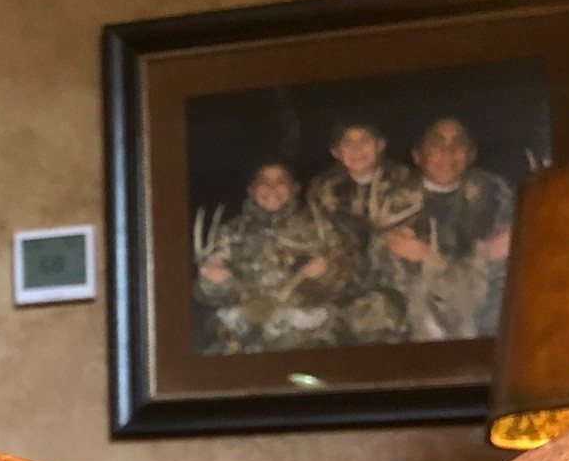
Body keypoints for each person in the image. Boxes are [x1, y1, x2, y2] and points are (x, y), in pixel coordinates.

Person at [377, 115, 514, 339]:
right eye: (436, 144)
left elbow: (504, 266)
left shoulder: (494, 193)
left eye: (458, 144)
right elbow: (388, 274)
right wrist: (484, 256)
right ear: (418, 156)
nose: (448, 152)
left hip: (482, 311)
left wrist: (427, 258)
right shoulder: (396, 201)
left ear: (471, 154)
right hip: (416, 317)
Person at [193, 161, 350, 354]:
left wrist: (325, 273)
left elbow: (341, 280)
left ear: (294, 188)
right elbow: (207, 293)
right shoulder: (231, 231)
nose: (272, 187)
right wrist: (214, 282)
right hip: (244, 331)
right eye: (263, 181)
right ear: (251, 189)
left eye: (281, 181)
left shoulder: (316, 228)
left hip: (303, 331)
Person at [307, 123, 415, 345]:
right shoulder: (323, 188)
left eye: (364, 140)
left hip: (395, 286)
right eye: (347, 143)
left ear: (380, 145)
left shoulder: (405, 180)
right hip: (342, 284)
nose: (356, 149)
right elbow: (317, 237)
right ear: (336, 152)